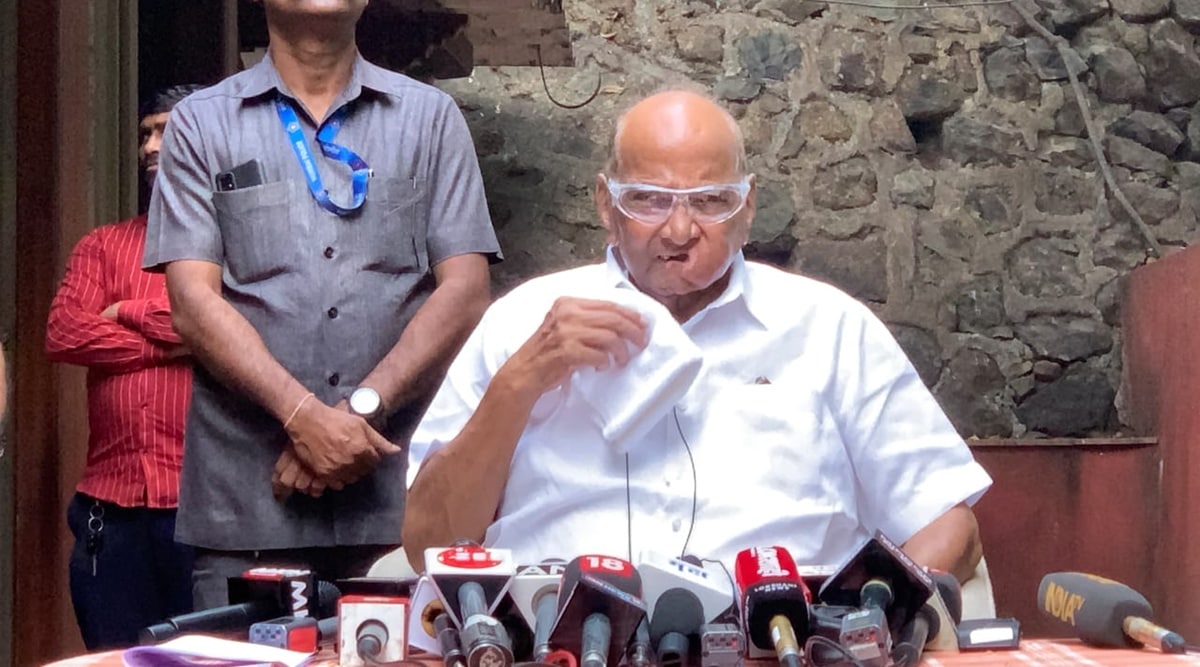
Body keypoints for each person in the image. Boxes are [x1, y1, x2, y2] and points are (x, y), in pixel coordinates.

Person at [404, 89, 993, 582]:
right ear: (606, 205)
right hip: (557, 639)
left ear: (748, 208)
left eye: (710, 202)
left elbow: (947, 524)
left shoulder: (828, 327)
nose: (680, 229)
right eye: (650, 200)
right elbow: (428, 545)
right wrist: (521, 381)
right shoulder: (523, 320)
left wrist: (868, 625)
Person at [144, 0, 499, 609]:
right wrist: (302, 416)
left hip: (402, 507)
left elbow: (465, 291)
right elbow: (192, 300)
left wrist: (360, 413)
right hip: (246, 512)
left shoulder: (430, 118)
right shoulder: (201, 125)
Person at [45, 84, 204, 649]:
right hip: (108, 512)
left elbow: (238, 323)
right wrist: (184, 341)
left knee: (215, 659)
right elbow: (65, 332)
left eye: (167, 131)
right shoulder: (105, 246)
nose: (150, 146)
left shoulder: (238, 248)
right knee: (116, 659)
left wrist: (128, 311)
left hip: (206, 509)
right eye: (146, 133)